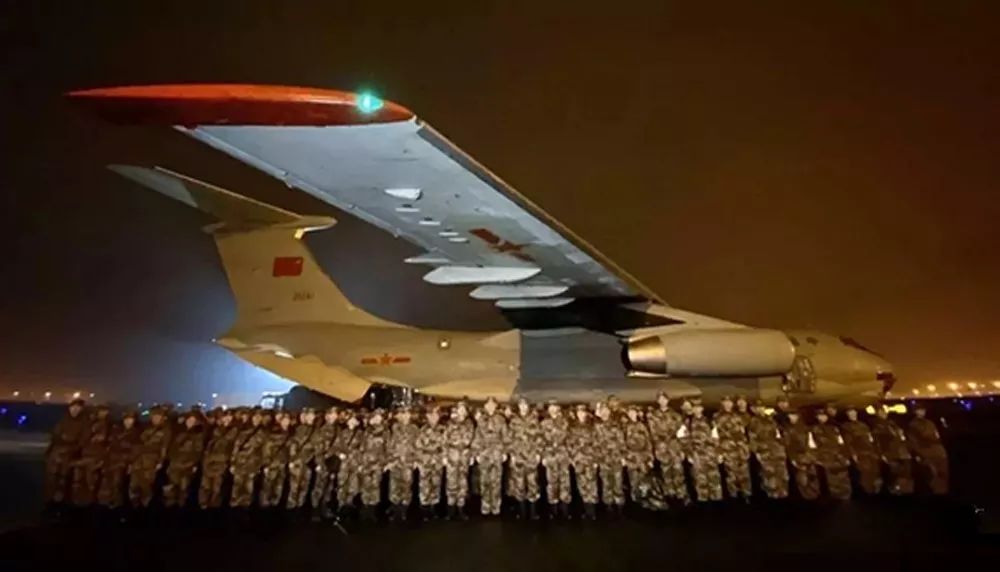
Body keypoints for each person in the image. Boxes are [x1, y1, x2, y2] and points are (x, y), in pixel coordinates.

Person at [646, 392, 689, 504]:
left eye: (664, 399)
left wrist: (683, 449)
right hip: (662, 448)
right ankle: (670, 495)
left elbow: (683, 433)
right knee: (666, 472)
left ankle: (681, 495)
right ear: (657, 401)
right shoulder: (653, 416)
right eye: (660, 399)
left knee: (678, 472)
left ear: (668, 400)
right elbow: (652, 434)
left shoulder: (676, 415)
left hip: (675, 447)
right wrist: (657, 448)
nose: (662, 401)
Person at [44, 398, 89, 505]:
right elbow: (55, 436)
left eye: (78, 407)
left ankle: (64, 496)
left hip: (72, 452)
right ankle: (51, 497)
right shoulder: (63, 421)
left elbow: (83, 440)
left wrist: (72, 445)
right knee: (52, 473)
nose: (75, 409)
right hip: (59, 450)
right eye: (73, 407)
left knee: (65, 475)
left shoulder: (84, 423)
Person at [505, 397, 542, 519]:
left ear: (528, 406)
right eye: (521, 405)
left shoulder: (534, 419)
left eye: (525, 405)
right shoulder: (514, 420)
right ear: (519, 406)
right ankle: (521, 512)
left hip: (531, 456)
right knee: (519, 483)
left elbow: (539, 437)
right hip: (518, 456)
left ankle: (533, 512)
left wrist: (538, 453)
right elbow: (509, 438)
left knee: (533, 483)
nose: (523, 407)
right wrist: (512, 454)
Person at [97, 411, 140, 509]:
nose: (128, 422)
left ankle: (116, 503)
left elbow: (136, 450)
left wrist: (130, 462)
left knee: (117, 481)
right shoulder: (117, 430)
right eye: (126, 419)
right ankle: (105, 501)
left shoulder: (136, 433)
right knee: (106, 480)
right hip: (111, 459)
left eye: (131, 419)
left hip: (123, 462)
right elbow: (110, 445)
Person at [473, 397, 509, 516]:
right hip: (484, 454)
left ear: (496, 406)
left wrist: (505, 452)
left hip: (497, 453)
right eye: (488, 405)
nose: (490, 407)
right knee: (484, 481)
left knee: (496, 481)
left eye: (492, 404)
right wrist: (476, 453)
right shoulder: (481, 420)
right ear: (485, 407)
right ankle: (485, 506)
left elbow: (505, 436)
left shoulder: (501, 419)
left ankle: (496, 506)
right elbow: (477, 437)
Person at [746, 400, 789, 499]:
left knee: (782, 474)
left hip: (777, 451)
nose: (760, 409)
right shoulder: (753, 421)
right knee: (769, 475)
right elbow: (752, 438)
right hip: (764, 451)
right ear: (754, 409)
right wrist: (757, 452)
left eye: (762, 407)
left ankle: (783, 494)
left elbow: (778, 434)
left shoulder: (771, 419)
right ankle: (772, 496)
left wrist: (781, 446)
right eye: (757, 407)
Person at [163, 410, 206, 508]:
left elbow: (198, 451)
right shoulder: (179, 431)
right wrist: (171, 460)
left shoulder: (198, 434)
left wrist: (193, 463)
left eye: (193, 420)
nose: (190, 422)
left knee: (183, 488)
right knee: (171, 487)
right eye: (189, 420)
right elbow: (172, 447)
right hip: (175, 464)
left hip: (187, 465)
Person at [71, 404, 112, 506]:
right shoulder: (88, 424)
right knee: (80, 479)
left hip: (97, 456)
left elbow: (103, 439)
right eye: (101, 411)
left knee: (92, 481)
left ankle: (91, 501)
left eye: (105, 411)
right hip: (86, 455)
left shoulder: (108, 425)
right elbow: (81, 439)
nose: (103, 413)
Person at [130, 407, 171, 508]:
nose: (155, 418)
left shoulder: (166, 430)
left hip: (151, 460)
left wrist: (160, 461)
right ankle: (134, 503)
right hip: (138, 459)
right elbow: (137, 442)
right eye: (154, 416)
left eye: (158, 416)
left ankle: (145, 503)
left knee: (146, 484)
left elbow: (164, 447)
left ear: (162, 418)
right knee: (134, 482)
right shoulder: (145, 427)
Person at [199, 408, 238, 509]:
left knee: (217, 487)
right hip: (209, 460)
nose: (227, 419)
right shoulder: (214, 429)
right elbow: (207, 444)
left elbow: (233, 448)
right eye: (225, 417)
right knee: (205, 485)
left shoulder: (234, 430)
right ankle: (203, 504)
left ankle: (214, 506)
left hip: (222, 461)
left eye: (229, 417)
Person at [714, 396, 752, 500]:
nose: (728, 404)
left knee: (744, 473)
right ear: (722, 403)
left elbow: (745, 431)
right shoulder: (717, 417)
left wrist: (746, 447)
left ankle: (746, 495)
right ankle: (733, 496)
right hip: (727, 449)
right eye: (725, 402)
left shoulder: (739, 416)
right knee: (731, 474)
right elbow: (715, 436)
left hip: (741, 448)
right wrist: (718, 452)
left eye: (729, 402)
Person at [870, 407, 914, 495]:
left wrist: (903, 439)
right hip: (890, 453)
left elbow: (901, 436)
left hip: (901, 452)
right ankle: (891, 489)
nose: (883, 414)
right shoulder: (877, 426)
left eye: (884, 412)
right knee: (892, 472)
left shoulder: (892, 423)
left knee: (904, 472)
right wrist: (881, 454)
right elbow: (877, 442)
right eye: (880, 412)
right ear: (877, 414)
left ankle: (901, 488)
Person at [906, 405, 949, 494]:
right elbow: (913, 441)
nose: (922, 411)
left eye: (923, 409)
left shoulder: (930, 423)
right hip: (926, 454)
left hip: (939, 453)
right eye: (920, 410)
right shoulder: (913, 425)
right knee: (931, 477)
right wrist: (918, 454)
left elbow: (937, 437)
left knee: (942, 476)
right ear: (915, 411)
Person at [840, 406, 883, 494]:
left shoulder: (863, 425)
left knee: (875, 471)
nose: (852, 415)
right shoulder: (846, 426)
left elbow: (870, 438)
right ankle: (868, 491)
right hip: (860, 453)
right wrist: (853, 454)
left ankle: (876, 490)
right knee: (865, 473)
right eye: (850, 413)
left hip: (870, 451)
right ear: (848, 415)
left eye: (853, 413)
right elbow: (848, 442)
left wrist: (875, 450)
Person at [386, 407, 420, 520]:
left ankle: (404, 509)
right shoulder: (394, 428)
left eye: (407, 414)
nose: (405, 416)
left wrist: (416, 459)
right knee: (394, 485)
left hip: (408, 461)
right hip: (396, 461)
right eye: (402, 414)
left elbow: (418, 445)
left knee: (406, 485)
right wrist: (390, 460)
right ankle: (395, 508)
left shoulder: (414, 429)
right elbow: (390, 445)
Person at [594, 401, 627, 515]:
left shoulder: (616, 424)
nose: (604, 412)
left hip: (615, 458)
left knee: (618, 482)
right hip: (603, 459)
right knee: (606, 483)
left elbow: (621, 441)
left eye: (606, 410)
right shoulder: (597, 426)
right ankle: (608, 505)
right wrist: (597, 459)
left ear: (609, 412)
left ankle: (620, 505)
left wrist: (623, 456)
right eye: (602, 410)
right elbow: (595, 443)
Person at [229, 408, 267, 509]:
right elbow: (236, 447)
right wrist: (232, 463)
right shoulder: (244, 430)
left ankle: (244, 508)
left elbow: (264, 450)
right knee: (237, 487)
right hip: (240, 463)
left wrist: (261, 464)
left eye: (259, 417)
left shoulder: (263, 432)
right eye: (255, 416)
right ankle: (234, 507)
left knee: (248, 488)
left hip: (253, 464)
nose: (257, 419)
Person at [443, 401, 475, 519]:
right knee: (451, 482)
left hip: (465, 456)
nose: (462, 411)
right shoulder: (450, 423)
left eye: (463, 409)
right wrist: (444, 456)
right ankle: (450, 509)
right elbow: (444, 440)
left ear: (466, 411)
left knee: (463, 482)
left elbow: (473, 441)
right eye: (460, 408)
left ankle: (461, 508)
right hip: (452, 455)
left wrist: (472, 455)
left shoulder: (470, 423)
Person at [415, 405, 447, 520]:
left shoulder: (443, 429)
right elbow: (418, 446)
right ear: (427, 416)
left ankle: (433, 508)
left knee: (436, 483)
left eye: (436, 415)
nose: (434, 417)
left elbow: (445, 445)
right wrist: (418, 460)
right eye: (431, 415)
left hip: (437, 460)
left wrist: (444, 457)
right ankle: (424, 509)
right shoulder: (423, 429)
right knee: (424, 484)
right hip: (425, 460)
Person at [687, 400, 723, 502]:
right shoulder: (688, 423)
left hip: (710, 453)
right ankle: (703, 500)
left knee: (714, 477)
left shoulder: (710, 421)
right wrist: (689, 453)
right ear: (692, 409)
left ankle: (717, 500)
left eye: (699, 407)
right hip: (697, 455)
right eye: (694, 408)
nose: (697, 410)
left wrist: (719, 453)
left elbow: (716, 437)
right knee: (700, 479)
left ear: (702, 409)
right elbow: (685, 439)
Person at [812, 409, 851, 500]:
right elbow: (813, 445)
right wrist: (818, 459)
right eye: (820, 416)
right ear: (817, 417)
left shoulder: (834, 428)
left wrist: (846, 455)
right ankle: (837, 497)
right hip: (827, 458)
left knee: (844, 477)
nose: (823, 417)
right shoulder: (814, 429)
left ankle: (846, 496)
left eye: (824, 415)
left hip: (839, 457)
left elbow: (841, 442)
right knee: (833, 479)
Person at [540, 402, 571, 518]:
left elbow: (569, 439)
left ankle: (565, 509)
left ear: (558, 409)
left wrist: (570, 455)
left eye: (555, 408)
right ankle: (553, 509)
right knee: (551, 482)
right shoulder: (544, 423)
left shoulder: (564, 422)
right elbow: (541, 440)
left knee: (565, 481)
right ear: (548, 410)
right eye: (551, 408)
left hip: (563, 454)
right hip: (550, 455)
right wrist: (543, 456)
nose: (553, 410)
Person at [567, 404, 598, 519]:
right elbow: (569, 443)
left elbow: (596, 443)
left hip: (589, 459)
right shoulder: (572, 427)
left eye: (582, 412)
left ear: (585, 413)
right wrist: (572, 457)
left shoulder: (591, 426)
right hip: (578, 459)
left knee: (591, 484)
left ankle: (592, 511)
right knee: (582, 484)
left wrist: (595, 458)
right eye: (578, 412)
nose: (580, 414)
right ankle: (585, 510)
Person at [310, 407, 342, 519]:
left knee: (329, 486)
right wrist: (319, 463)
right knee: (319, 486)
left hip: (333, 462)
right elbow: (317, 448)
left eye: (335, 414)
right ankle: (315, 510)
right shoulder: (321, 430)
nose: (334, 416)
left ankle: (324, 508)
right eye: (331, 414)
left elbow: (340, 445)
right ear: (327, 416)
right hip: (323, 461)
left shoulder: (338, 429)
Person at [623, 405, 657, 505]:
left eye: (633, 412)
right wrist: (624, 457)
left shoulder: (643, 426)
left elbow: (648, 442)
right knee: (634, 481)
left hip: (643, 458)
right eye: (629, 413)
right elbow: (622, 443)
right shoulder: (625, 427)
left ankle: (646, 500)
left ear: (636, 413)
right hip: (632, 458)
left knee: (645, 480)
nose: (631, 414)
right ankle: (635, 501)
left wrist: (650, 458)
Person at [360, 409, 389, 521]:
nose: (377, 419)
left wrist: (386, 462)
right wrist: (361, 462)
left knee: (375, 485)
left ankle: (373, 510)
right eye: (375, 416)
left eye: (379, 417)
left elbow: (388, 447)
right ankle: (365, 508)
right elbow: (362, 446)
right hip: (366, 462)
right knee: (366, 485)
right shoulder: (367, 430)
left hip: (378, 462)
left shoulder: (385, 431)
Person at [287, 408, 319, 511]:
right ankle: (291, 507)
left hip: (309, 461)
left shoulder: (316, 430)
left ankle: (299, 506)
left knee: (305, 485)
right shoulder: (299, 429)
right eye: (309, 415)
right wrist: (292, 459)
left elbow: (318, 447)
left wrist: (317, 461)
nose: (311, 417)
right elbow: (293, 445)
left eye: (313, 415)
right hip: (298, 461)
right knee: (294, 486)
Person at [260, 411, 293, 508]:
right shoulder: (274, 432)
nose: (286, 422)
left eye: (288, 420)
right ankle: (264, 506)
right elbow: (267, 449)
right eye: (284, 420)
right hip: (272, 463)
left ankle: (275, 505)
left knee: (279, 486)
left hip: (283, 464)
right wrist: (266, 463)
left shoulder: (291, 433)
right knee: (267, 486)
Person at [784, 410, 820, 500]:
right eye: (791, 415)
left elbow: (812, 443)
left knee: (813, 478)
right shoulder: (788, 429)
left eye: (794, 415)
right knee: (802, 479)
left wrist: (814, 455)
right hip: (799, 459)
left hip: (809, 457)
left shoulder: (806, 428)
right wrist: (793, 458)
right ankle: (805, 497)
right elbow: (788, 446)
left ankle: (815, 496)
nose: (793, 417)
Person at [336, 412, 364, 520]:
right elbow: (335, 447)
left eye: (354, 420)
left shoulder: (361, 434)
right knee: (342, 483)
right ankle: (340, 505)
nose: (352, 422)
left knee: (353, 485)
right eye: (350, 420)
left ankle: (349, 504)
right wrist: (340, 454)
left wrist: (361, 463)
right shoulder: (342, 433)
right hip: (344, 463)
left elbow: (363, 449)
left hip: (355, 462)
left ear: (357, 422)